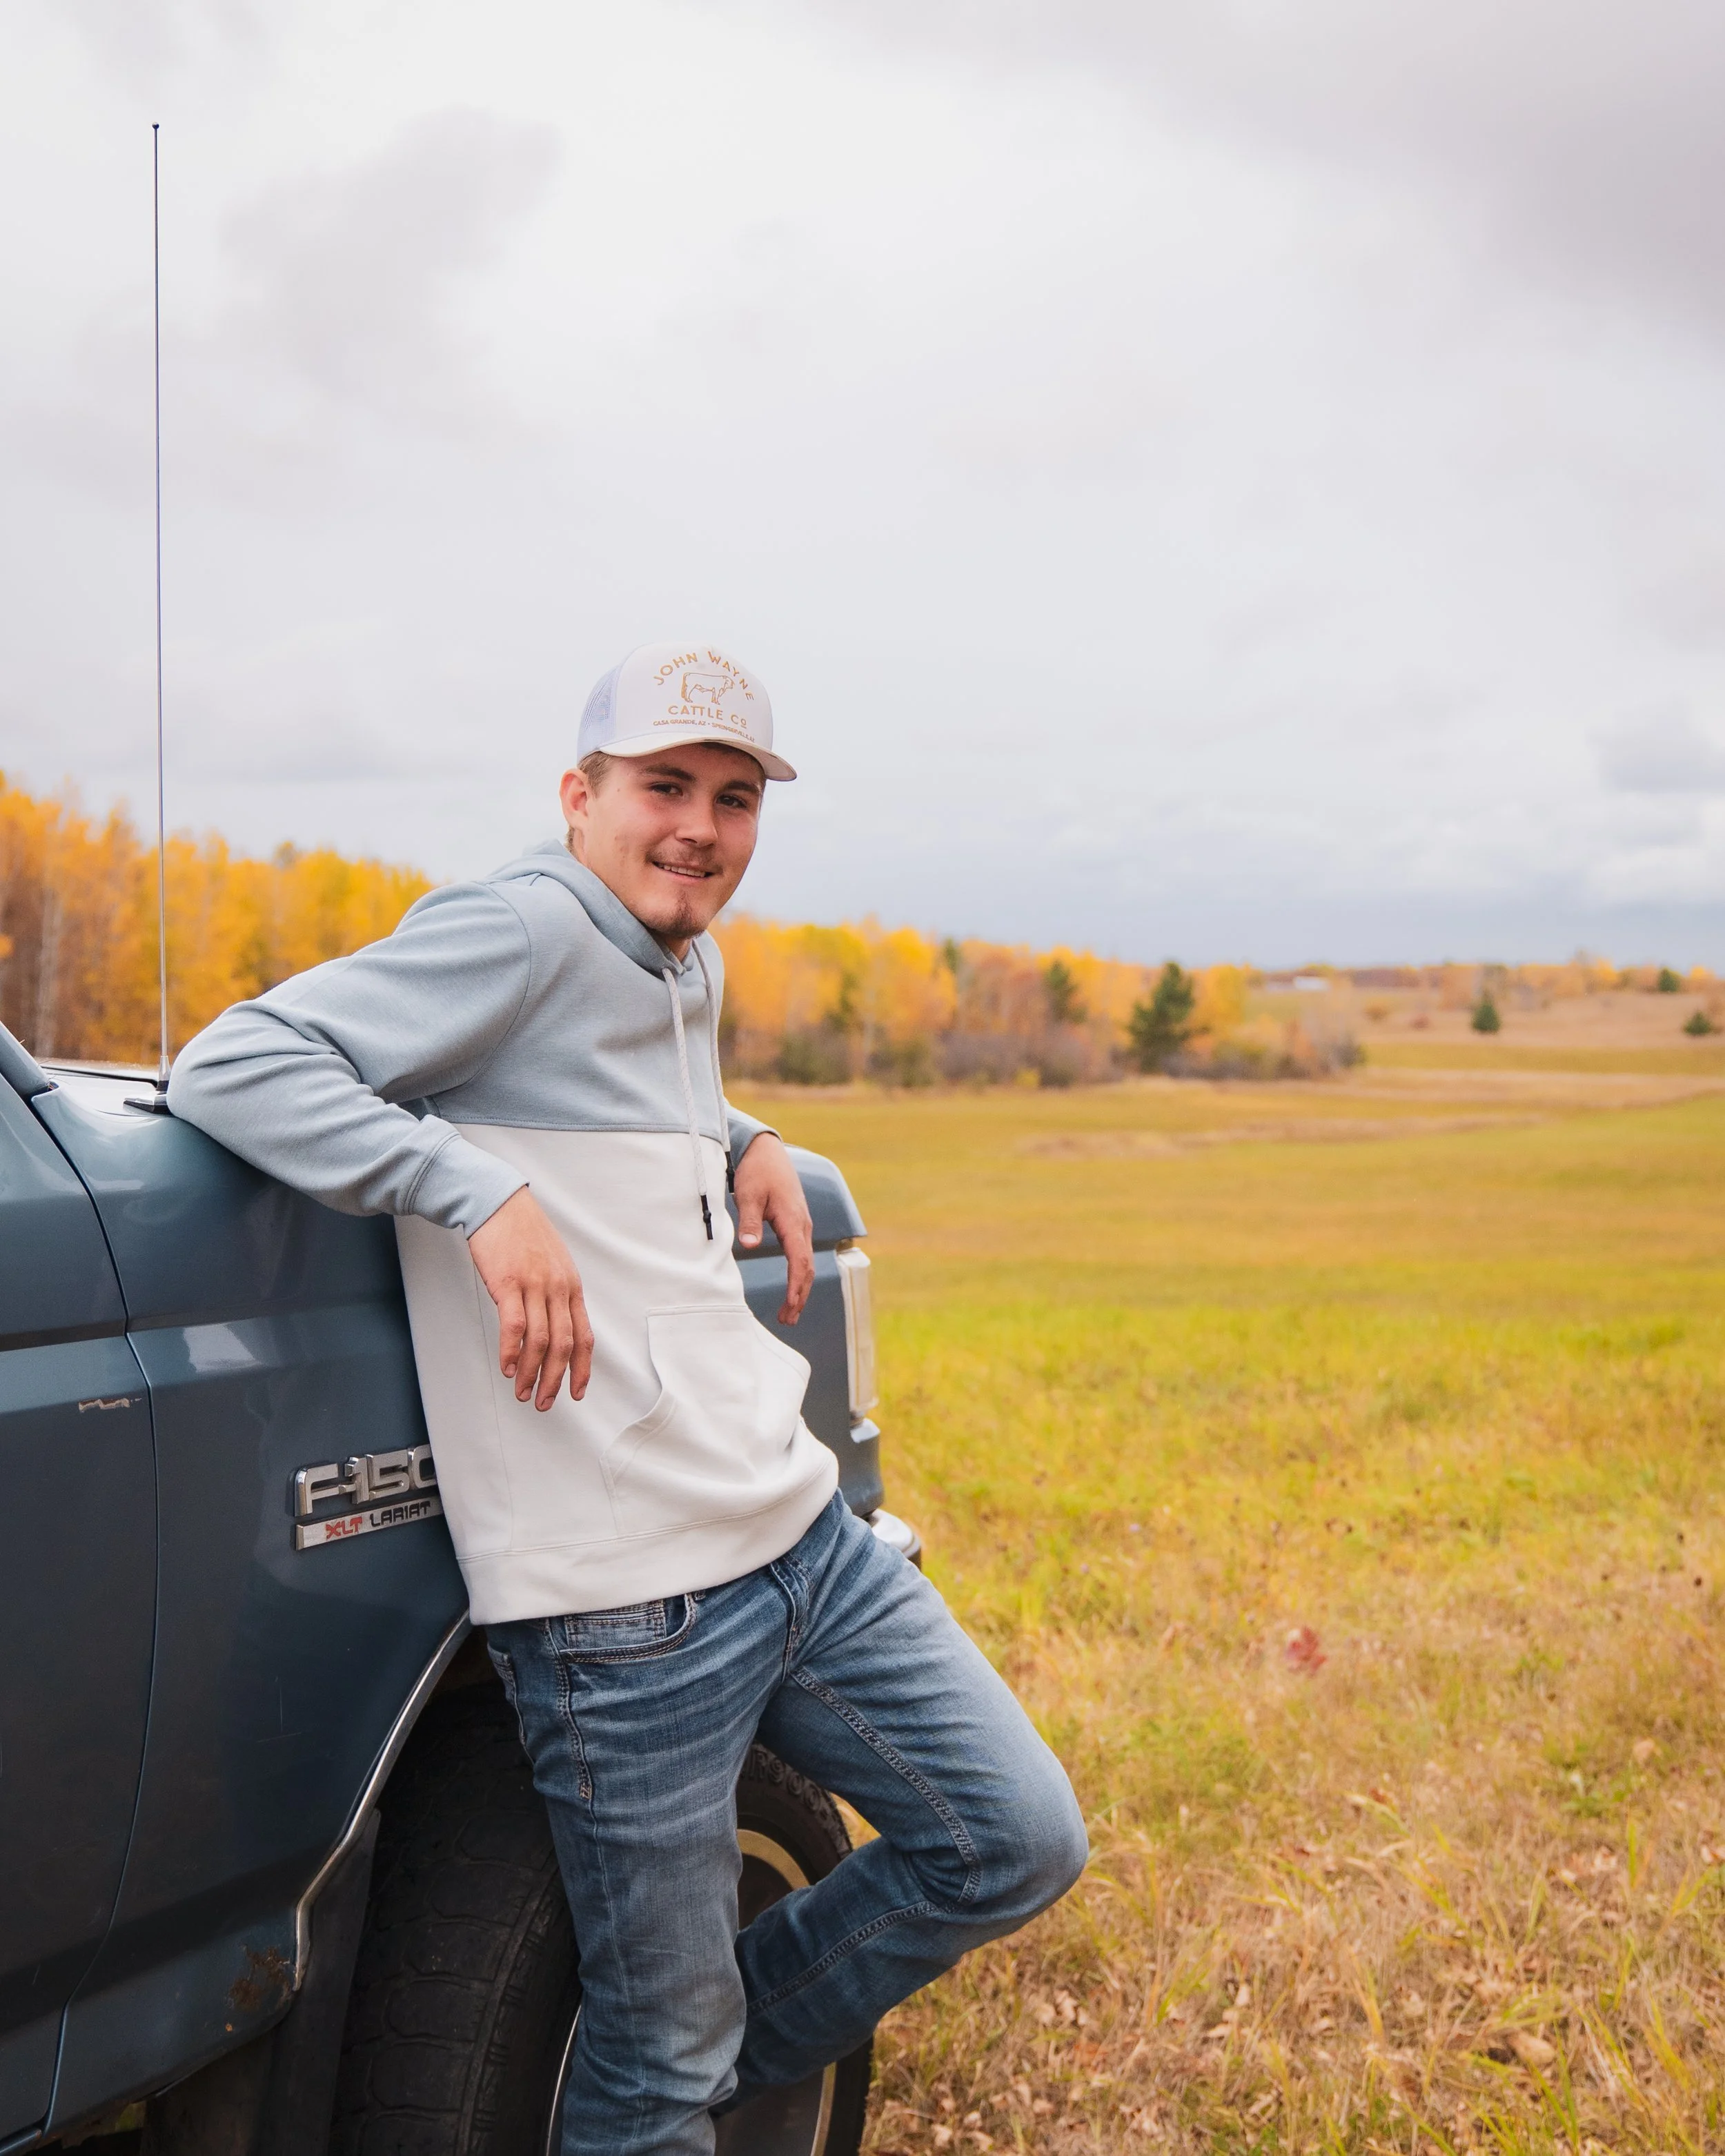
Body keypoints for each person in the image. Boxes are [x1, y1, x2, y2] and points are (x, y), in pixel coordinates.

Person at [168, 642, 1087, 2156]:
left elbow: (615, 1087)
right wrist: (471, 1188)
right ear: (578, 794)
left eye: (735, 799)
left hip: (797, 1539)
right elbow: (238, 1059)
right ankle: (660, 2086)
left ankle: (679, 2074)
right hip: (628, 1611)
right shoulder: (521, 927)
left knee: (1013, 1838)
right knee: (653, 2072)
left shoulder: (678, 955)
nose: (700, 830)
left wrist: (739, 1131)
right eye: (666, 786)